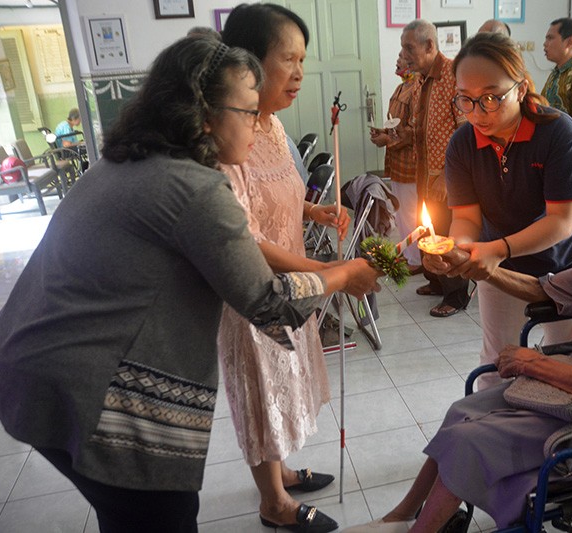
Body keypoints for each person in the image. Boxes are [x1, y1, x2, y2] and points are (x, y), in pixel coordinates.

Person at [0, 36, 380, 533]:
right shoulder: (195, 187)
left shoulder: (127, 162)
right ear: (204, 115)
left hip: (26, 363)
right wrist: (344, 273)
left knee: (128, 515)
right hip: (85, 387)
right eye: (248, 112)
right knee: (160, 517)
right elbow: (266, 303)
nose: (257, 124)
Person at [344, 157, 572, 532]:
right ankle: (400, 515)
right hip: (569, 385)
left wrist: (531, 363)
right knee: (461, 411)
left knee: (469, 440)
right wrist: (479, 267)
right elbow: (545, 289)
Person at [220, 4, 350, 532]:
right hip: (254, 293)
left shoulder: (271, 125)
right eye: (288, 59)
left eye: (303, 60)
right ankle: (272, 502)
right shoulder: (227, 134)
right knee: (261, 391)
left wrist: (314, 211)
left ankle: (283, 475)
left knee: (284, 384)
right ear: (249, 63)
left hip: (290, 287)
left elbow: (278, 194)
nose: (299, 73)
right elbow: (244, 234)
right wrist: (323, 270)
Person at [435, 32, 572, 389]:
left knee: (561, 363)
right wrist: (456, 249)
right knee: (497, 361)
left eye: (491, 98)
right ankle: (491, 421)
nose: (477, 112)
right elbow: (466, 218)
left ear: (521, 89)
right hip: (501, 265)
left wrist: (497, 249)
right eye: (465, 99)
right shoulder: (463, 144)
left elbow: (561, 222)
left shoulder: (558, 133)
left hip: (566, 264)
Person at [400, 19, 470, 317]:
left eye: (409, 48)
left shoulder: (453, 75)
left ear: (430, 45)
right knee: (428, 229)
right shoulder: (419, 79)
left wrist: (446, 175)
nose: (404, 55)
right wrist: (394, 136)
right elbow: (419, 129)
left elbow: (466, 131)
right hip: (424, 174)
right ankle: (437, 281)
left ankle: (456, 295)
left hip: (446, 177)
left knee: (446, 235)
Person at [370, 52, 421, 272]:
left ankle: (417, 260)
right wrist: (383, 133)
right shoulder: (402, 88)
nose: (397, 61)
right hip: (398, 163)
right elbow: (398, 126)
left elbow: (414, 132)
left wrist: (387, 140)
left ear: (412, 63)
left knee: (411, 213)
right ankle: (409, 253)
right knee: (402, 213)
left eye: (402, 57)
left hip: (410, 165)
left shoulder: (417, 89)